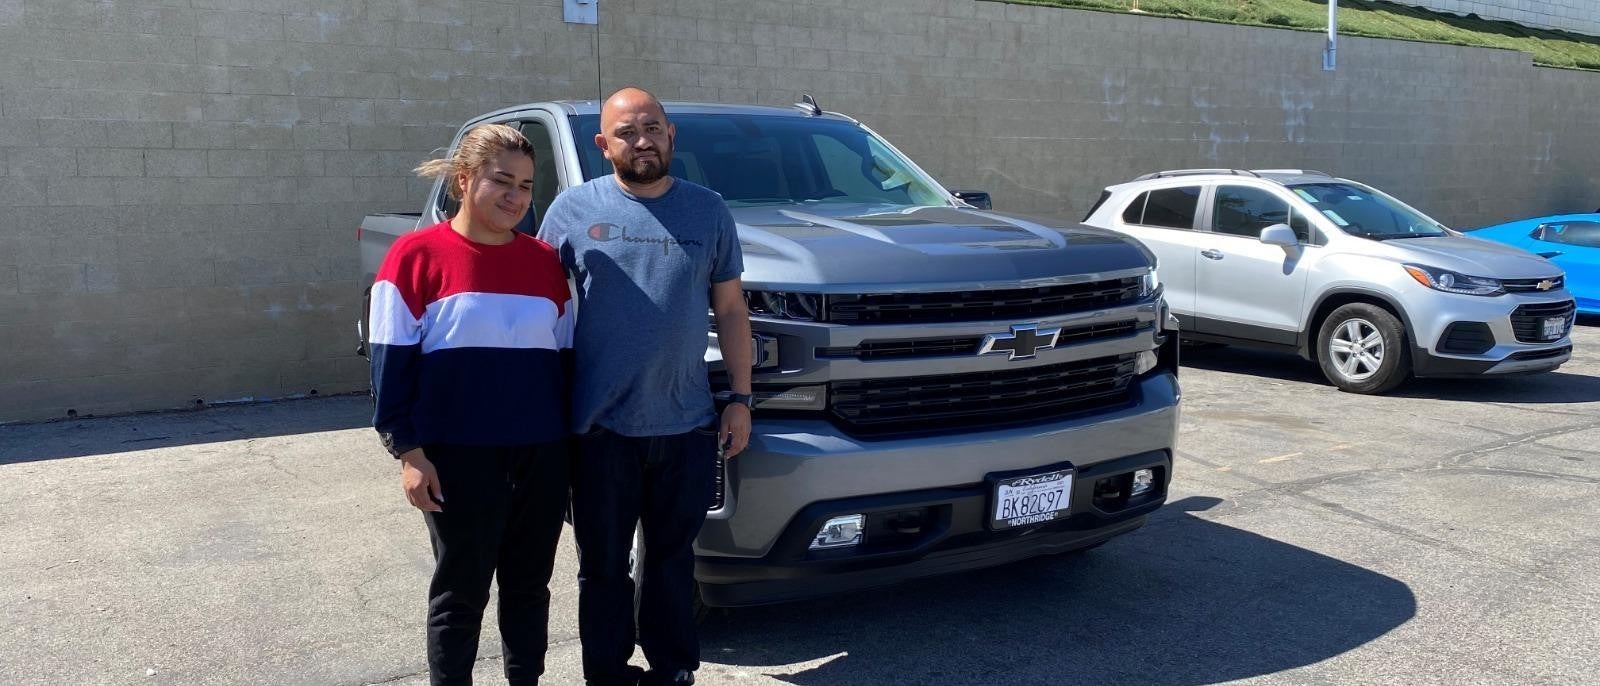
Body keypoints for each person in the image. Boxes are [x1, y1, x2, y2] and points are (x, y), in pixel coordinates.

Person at [538, 87, 752, 686]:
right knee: (603, 565)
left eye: (653, 127)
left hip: (686, 421)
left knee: (671, 559)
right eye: (628, 132)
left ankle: (673, 667)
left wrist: (739, 398)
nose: (643, 140)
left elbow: (732, 311)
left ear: (671, 134)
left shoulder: (708, 211)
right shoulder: (570, 213)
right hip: (598, 427)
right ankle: (607, 672)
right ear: (604, 145)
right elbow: (539, 310)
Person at [368, 123, 575, 686]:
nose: (515, 197)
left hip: (541, 454)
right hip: (457, 458)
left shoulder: (545, 264)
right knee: (461, 591)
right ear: (464, 181)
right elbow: (391, 367)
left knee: (530, 588)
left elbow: (563, 363)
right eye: (501, 181)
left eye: (527, 186)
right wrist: (409, 452)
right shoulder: (415, 257)